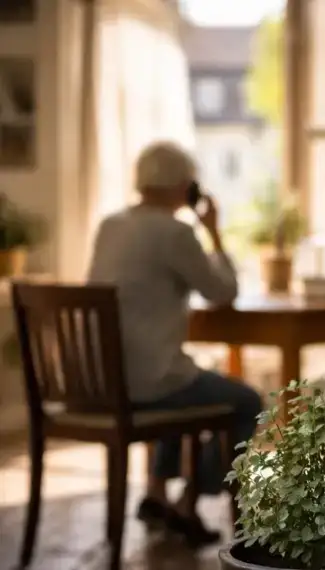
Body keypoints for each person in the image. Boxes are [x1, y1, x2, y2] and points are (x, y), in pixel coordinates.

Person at [87, 141, 263, 546]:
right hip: (150, 383)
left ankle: (155, 492)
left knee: (181, 378)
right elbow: (223, 292)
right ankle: (189, 500)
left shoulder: (110, 225)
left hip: (102, 383)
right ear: (184, 187)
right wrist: (214, 232)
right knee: (248, 401)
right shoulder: (176, 232)